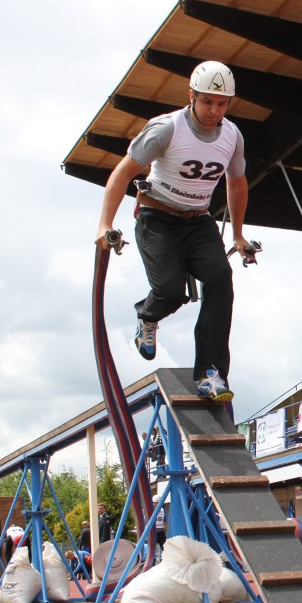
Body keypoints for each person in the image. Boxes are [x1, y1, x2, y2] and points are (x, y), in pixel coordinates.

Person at [95, 60, 251, 402]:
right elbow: (122, 174)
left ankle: (211, 373)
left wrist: (237, 235)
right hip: (157, 218)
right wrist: (105, 223)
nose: (214, 111)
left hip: (197, 221)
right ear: (192, 96)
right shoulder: (166, 129)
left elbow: (236, 183)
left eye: (222, 104)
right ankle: (147, 318)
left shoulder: (232, 136)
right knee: (169, 290)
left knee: (220, 279)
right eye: (208, 101)